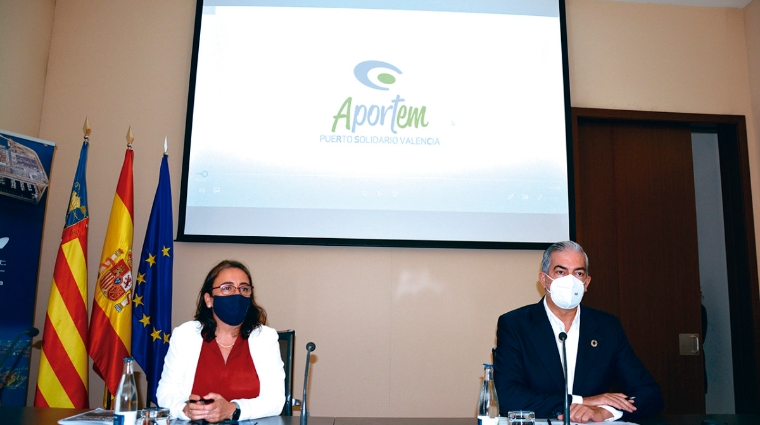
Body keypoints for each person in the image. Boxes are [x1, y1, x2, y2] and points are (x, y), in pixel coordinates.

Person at [493, 241, 664, 423]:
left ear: (587, 282)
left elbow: (650, 393)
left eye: (578, 273)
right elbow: (509, 397)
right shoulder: (515, 324)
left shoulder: (607, 328)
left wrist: (605, 411)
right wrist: (583, 401)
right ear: (544, 279)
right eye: (561, 272)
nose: (570, 280)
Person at [157, 260, 285, 422]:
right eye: (227, 288)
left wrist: (233, 410)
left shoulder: (265, 337)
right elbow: (165, 393)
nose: (237, 294)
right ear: (209, 299)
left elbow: (275, 400)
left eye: (244, 289)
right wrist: (184, 409)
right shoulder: (185, 335)